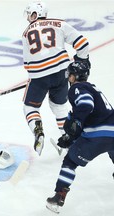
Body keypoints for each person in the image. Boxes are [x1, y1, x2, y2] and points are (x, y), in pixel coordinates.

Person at [22, 1, 90, 155]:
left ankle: (37, 130)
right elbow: (83, 43)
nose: (28, 18)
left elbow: (28, 64)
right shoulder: (59, 24)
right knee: (59, 106)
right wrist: (81, 60)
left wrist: (38, 79)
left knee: (31, 107)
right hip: (62, 72)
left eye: (30, 14)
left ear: (36, 14)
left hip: (38, 76)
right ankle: (68, 137)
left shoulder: (25, 33)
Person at [46, 61, 114, 213]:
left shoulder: (77, 88)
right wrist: (71, 135)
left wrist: (73, 127)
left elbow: (85, 105)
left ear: (73, 76)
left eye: (69, 74)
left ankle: (59, 196)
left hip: (96, 135)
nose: (68, 77)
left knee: (70, 161)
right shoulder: (93, 88)